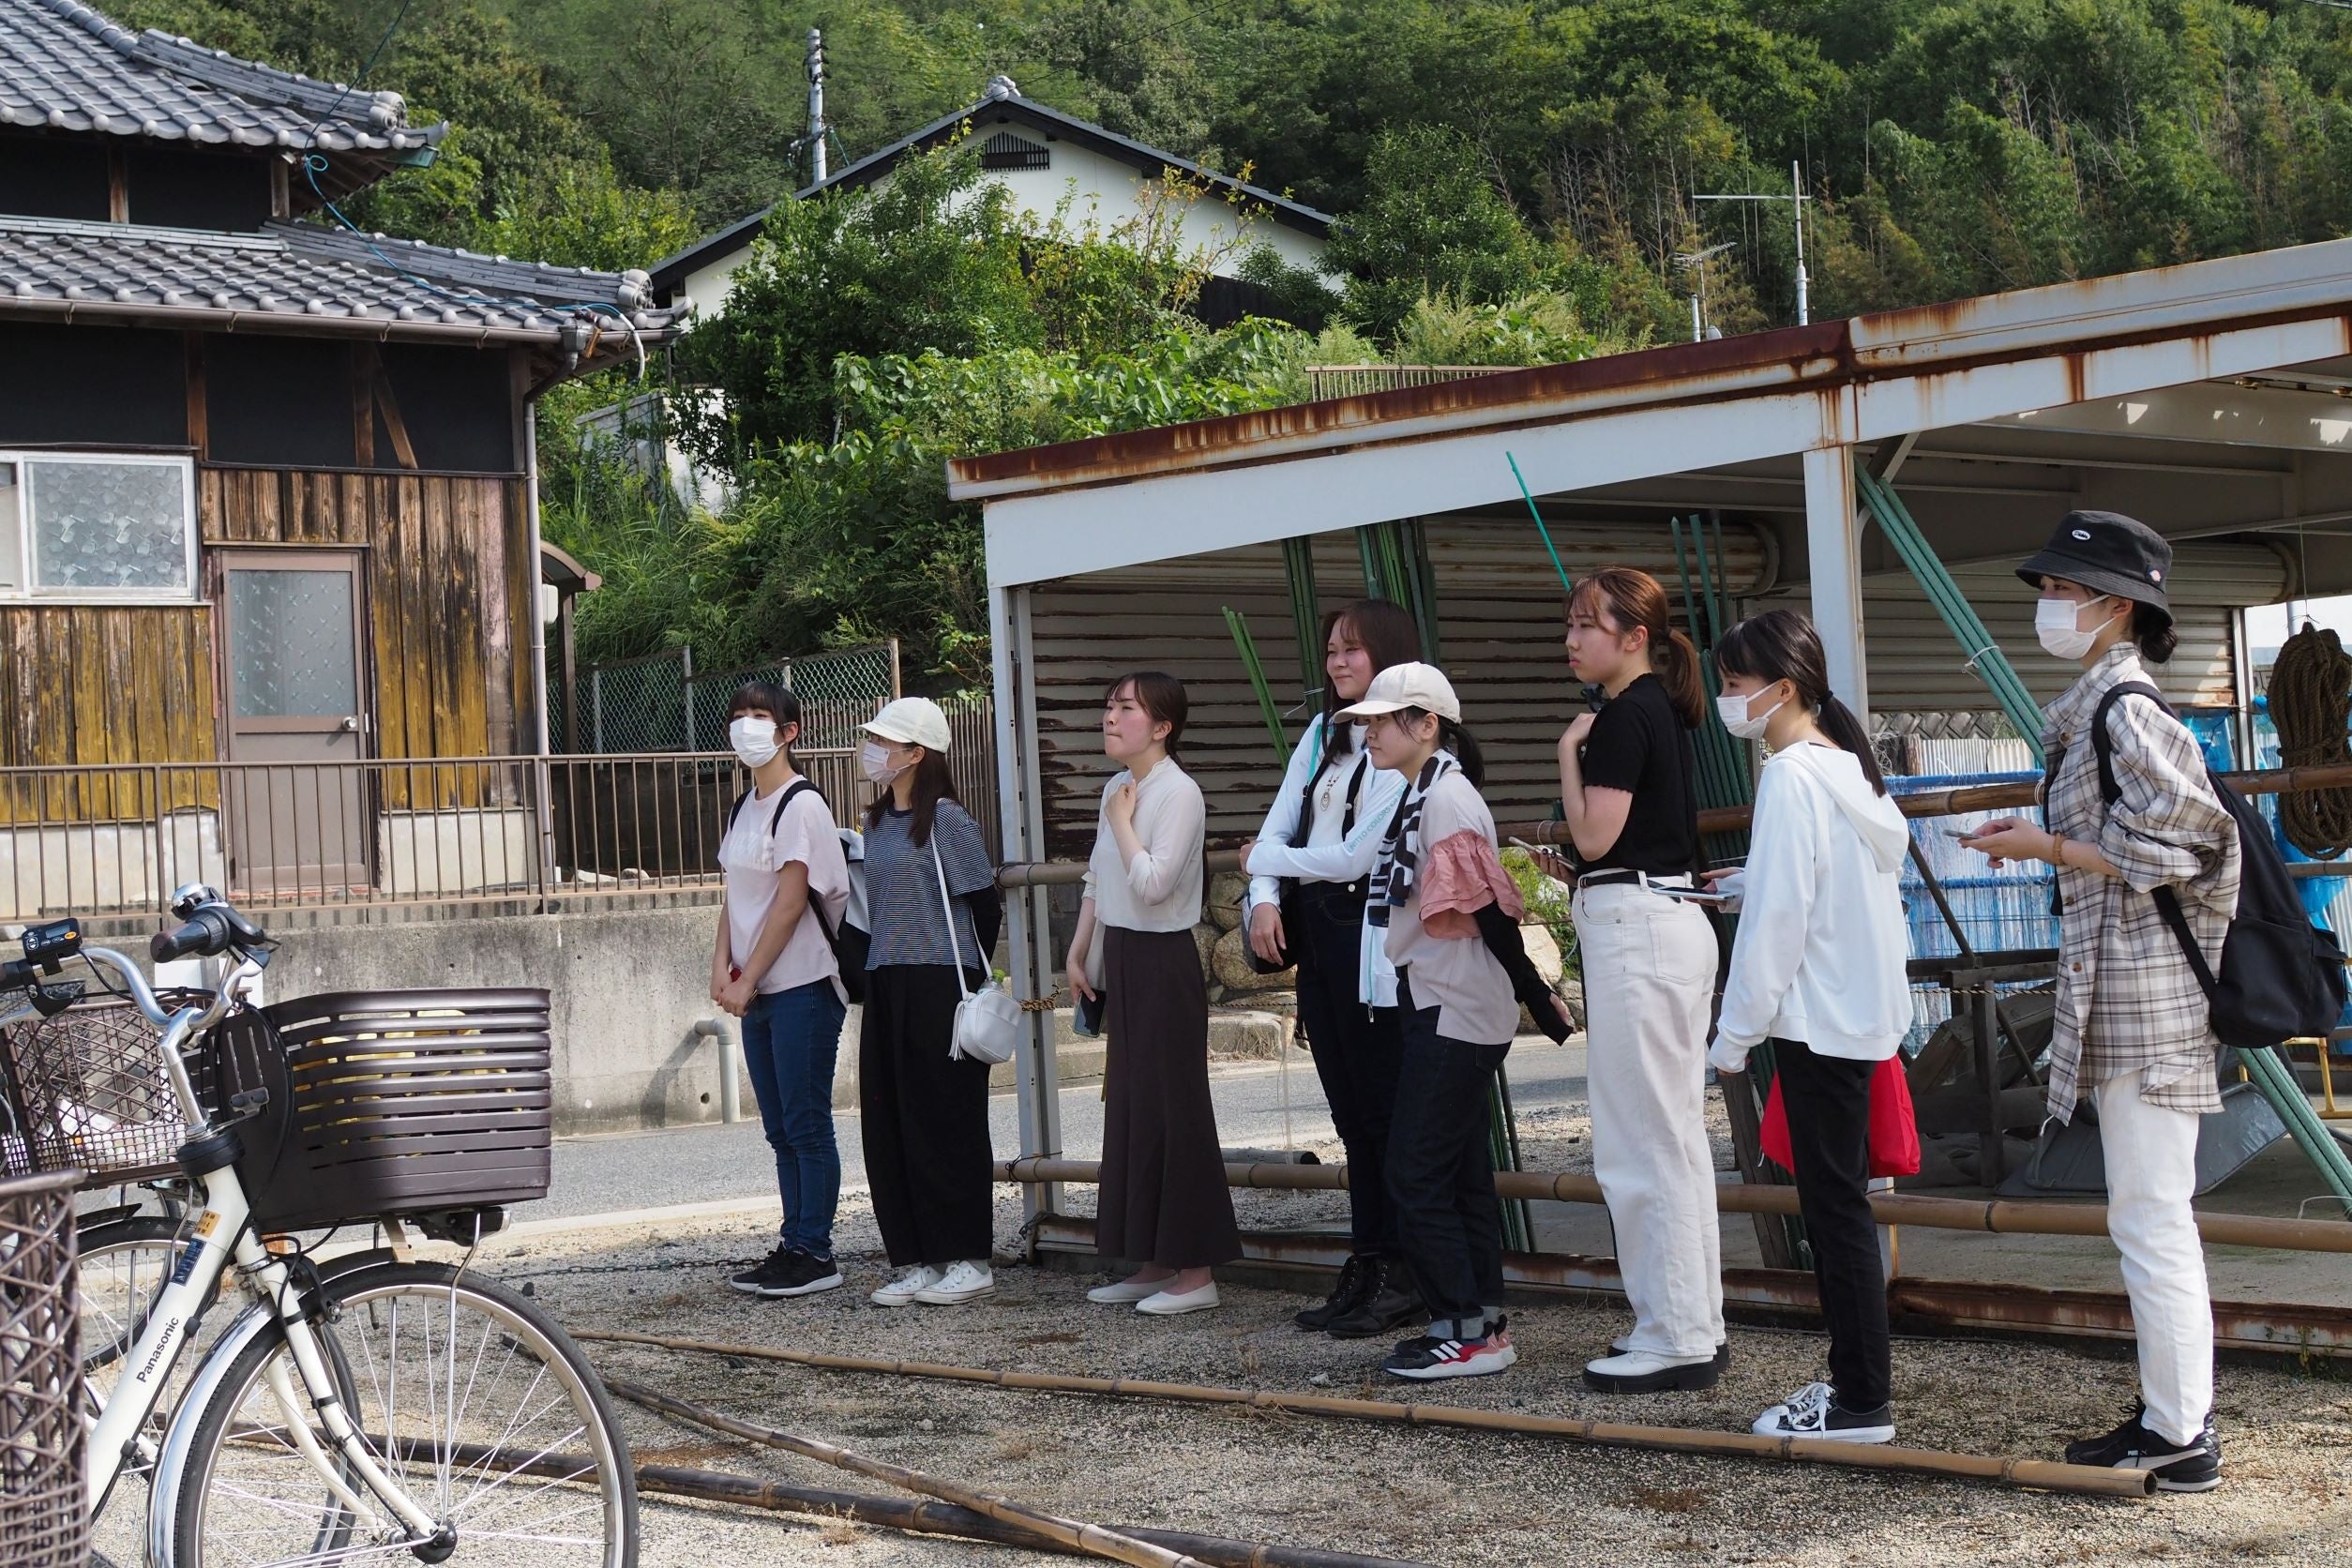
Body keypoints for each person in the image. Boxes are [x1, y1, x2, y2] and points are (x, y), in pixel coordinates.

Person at [1961, 512, 2239, 1492]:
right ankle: (2173, 1417)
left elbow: (2192, 841)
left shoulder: (2125, 710)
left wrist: (2048, 847)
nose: (2047, 604)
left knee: (2153, 1216)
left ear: (2117, 605)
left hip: (2149, 998)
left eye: (2061, 589)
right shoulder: (2100, 709)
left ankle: (2182, 1433)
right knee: (2148, 1215)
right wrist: (2048, 843)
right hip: (2126, 995)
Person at [1703, 609, 1912, 1445]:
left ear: (1782, 690)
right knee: (1842, 1206)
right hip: (1856, 1017)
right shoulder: (1844, 769)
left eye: (1735, 683)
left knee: (1834, 1215)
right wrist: (1749, 881)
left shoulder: (1790, 775)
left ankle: (1859, 1399)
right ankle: (1858, 1391)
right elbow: (1815, 891)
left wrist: (1733, 1035)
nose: (1726, 698)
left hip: (1816, 1021)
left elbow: (1780, 925)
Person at [1337, 662, 1573, 1380]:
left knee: (1414, 1170)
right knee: (1459, 1170)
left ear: (1428, 724)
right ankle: (1478, 1324)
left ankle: (1465, 1330)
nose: (1371, 733)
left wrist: (1538, 994)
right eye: (1369, 721)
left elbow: (1491, 914)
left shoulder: (1444, 799)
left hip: (1457, 1003)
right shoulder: (1426, 792)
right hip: (1441, 996)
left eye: (1384, 720)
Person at [1556, 567, 1726, 1394]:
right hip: (1662, 918)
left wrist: (1568, 754)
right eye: (1570, 624)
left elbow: (1594, 838)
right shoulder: (1654, 706)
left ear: (1634, 637)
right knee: (1672, 1138)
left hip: (1638, 926)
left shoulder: (1623, 715)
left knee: (1642, 1142)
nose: (1572, 639)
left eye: (1588, 625)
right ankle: (1690, 1321)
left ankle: (1675, 1332)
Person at [1240, 598, 1419, 1337]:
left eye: (1354, 649)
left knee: (1383, 1109)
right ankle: (1368, 1259)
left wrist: (1267, 862)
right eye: (1332, 649)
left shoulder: (1406, 738)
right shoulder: (1322, 733)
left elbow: (1355, 857)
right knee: (1348, 1113)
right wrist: (1262, 896)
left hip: (1369, 931)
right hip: (1316, 931)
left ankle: (1404, 1269)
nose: (1339, 662)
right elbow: (1277, 826)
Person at [1066, 672, 1241, 1316]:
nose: (1110, 717)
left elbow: (1154, 884)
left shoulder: (1179, 792)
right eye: (1109, 706)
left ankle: (1196, 1272)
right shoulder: (1117, 786)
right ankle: (1153, 1261)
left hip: (1165, 958)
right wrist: (1079, 949)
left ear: (1163, 726)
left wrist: (1121, 821)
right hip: (1122, 954)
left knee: (1175, 1110)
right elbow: (1098, 877)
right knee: (1133, 1109)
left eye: (1127, 708)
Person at [856, 697, 1007, 1309]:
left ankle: (969, 1257)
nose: (873, 750)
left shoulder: (946, 818)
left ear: (917, 753)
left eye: (884, 741)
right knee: (890, 1122)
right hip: (886, 978)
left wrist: (964, 974)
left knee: (947, 1119)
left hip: (941, 980)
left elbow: (985, 904)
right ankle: (915, 1257)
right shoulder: (874, 823)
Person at [713, 683, 853, 1300]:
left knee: (806, 1123)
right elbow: (735, 897)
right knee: (780, 1129)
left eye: (760, 715)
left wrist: (748, 977)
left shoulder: (802, 805)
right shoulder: (744, 805)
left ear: (789, 731)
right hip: (758, 991)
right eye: (739, 715)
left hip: (802, 985)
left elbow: (792, 903)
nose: (746, 726)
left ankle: (814, 1250)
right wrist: (722, 967)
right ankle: (793, 1243)